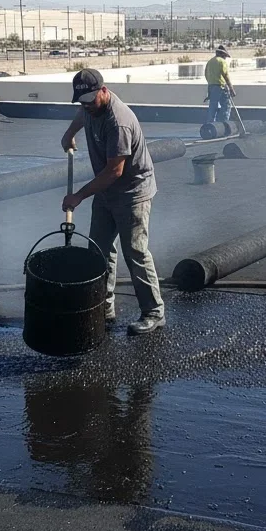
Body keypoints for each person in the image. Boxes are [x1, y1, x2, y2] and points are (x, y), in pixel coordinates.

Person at [60, 68, 165, 336]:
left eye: (91, 101)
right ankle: (104, 309)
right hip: (107, 191)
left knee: (135, 252)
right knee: (99, 250)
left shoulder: (118, 122)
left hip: (132, 192)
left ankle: (154, 312)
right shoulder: (89, 106)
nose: (87, 107)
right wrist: (70, 133)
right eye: (82, 102)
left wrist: (79, 196)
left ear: (104, 91)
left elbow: (114, 171)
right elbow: (82, 114)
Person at [204, 45, 236, 123]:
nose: (225, 58)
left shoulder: (210, 62)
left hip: (211, 87)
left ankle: (211, 125)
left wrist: (209, 92)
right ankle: (224, 125)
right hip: (221, 86)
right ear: (222, 54)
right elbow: (225, 76)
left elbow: (206, 75)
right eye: (225, 56)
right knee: (226, 106)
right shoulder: (222, 61)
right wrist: (231, 89)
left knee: (213, 107)